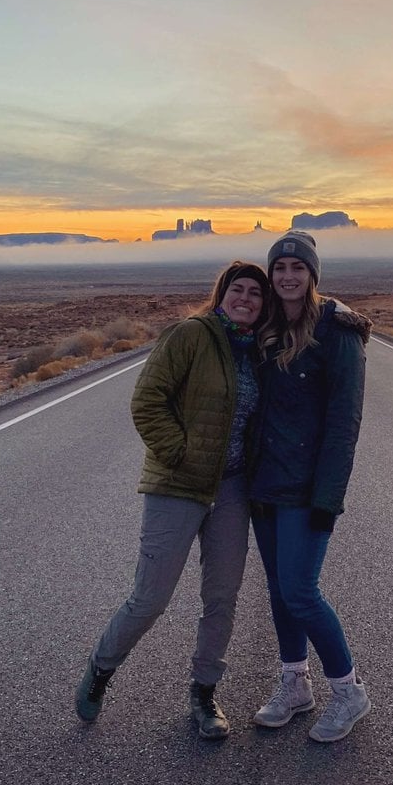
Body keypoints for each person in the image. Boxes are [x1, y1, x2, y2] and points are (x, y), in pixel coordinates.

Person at [75, 261, 270, 740]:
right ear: (221, 293)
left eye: (255, 294)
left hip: (232, 490)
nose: (246, 299)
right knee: (151, 597)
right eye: (237, 289)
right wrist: (179, 454)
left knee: (221, 597)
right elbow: (147, 400)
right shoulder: (190, 335)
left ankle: (204, 694)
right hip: (177, 486)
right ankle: (102, 667)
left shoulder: (262, 350)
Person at [249, 231, 373, 743]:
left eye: (298, 268)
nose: (287, 277)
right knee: (280, 591)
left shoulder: (337, 331)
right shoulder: (266, 328)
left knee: (301, 590)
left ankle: (348, 690)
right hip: (265, 484)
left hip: (307, 488)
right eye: (279, 268)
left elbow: (345, 423)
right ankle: (294, 683)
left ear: (313, 275)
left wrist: (328, 498)